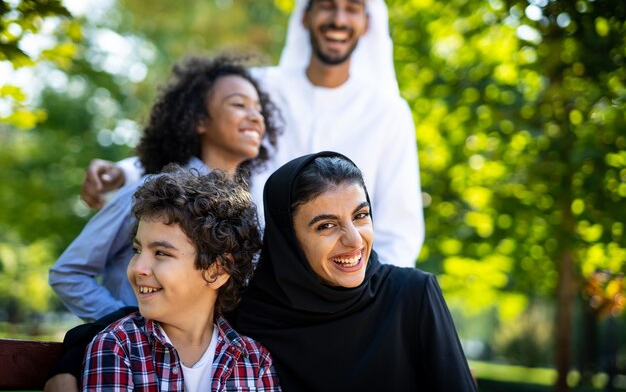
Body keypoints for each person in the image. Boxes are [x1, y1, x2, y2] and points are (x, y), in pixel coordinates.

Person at [80, 0, 424, 268]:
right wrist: (125, 171)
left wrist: (368, 295)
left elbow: (399, 227)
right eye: (326, 5)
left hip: (346, 283)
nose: (338, 19)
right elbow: (200, 152)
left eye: (352, 8)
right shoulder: (261, 88)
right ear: (304, 16)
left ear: (367, 24)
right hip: (249, 277)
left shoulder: (388, 111)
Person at [49, 55, 280, 322]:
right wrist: (129, 325)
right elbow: (68, 272)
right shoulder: (152, 192)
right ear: (199, 120)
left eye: (259, 109)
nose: (255, 117)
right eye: (239, 104)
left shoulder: (250, 209)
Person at [228, 151, 477, 392]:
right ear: (287, 239)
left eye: (360, 215)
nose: (355, 240)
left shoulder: (412, 295)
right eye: (327, 225)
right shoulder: (246, 318)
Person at [82, 167, 281, 391]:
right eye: (137, 250)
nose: (138, 268)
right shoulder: (116, 348)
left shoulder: (254, 361)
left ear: (216, 270)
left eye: (161, 253)